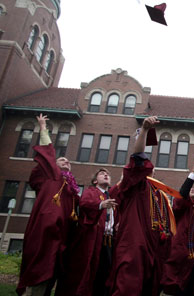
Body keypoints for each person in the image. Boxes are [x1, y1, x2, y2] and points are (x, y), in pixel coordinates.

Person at [108, 116, 177, 296]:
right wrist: (145, 130)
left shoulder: (156, 195)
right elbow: (138, 157)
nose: (151, 169)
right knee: (128, 287)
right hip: (134, 244)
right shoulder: (135, 185)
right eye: (147, 168)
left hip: (152, 247)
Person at [17, 114, 80, 296]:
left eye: (68, 161)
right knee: (40, 269)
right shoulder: (50, 176)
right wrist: (43, 127)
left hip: (63, 235)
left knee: (53, 272)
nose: (66, 161)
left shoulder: (72, 189)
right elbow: (48, 152)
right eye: (62, 160)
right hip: (46, 231)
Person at [55, 168, 118, 296]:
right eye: (102, 174)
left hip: (108, 241)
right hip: (92, 239)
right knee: (88, 271)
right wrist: (100, 205)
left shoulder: (111, 198)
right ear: (95, 181)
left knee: (105, 273)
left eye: (108, 174)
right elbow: (84, 203)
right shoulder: (91, 192)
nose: (106, 175)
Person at [162, 159, 194, 296]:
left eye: (193, 189)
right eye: (189, 189)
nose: (192, 189)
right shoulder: (180, 207)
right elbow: (182, 194)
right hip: (181, 257)